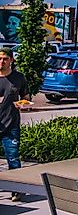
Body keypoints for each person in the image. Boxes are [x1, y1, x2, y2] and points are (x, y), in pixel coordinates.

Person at [0, 47, 30, 201]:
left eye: (5, 58)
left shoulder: (19, 78)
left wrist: (23, 104)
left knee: (12, 157)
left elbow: (25, 96)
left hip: (11, 124)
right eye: (0, 58)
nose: (2, 61)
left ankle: (18, 189)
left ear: (11, 60)